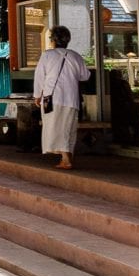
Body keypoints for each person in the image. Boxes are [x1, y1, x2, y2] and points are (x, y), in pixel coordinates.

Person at [34, 25, 90, 170]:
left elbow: (40, 77)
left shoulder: (47, 55)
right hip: (71, 98)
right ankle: (66, 156)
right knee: (68, 127)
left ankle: (65, 159)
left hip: (50, 97)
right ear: (67, 40)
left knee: (52, 126)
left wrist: (36, 95)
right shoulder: (75, 56)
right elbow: (85, 76)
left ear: (52, 40)